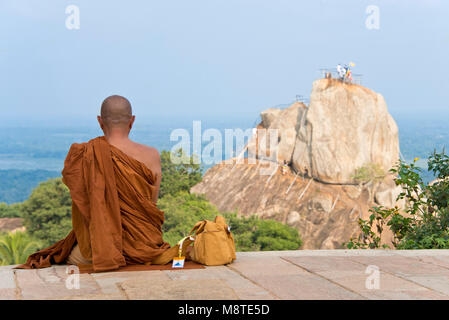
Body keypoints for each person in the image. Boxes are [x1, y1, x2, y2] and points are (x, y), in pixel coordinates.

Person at [16, 95, 185, 272]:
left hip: (100, 249)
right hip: (145, 245)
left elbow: (86, 207)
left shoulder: (86, 155)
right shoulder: (151, 155)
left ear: (99, 121)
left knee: (69, 255)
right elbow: (151, 205)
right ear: (132, 121)